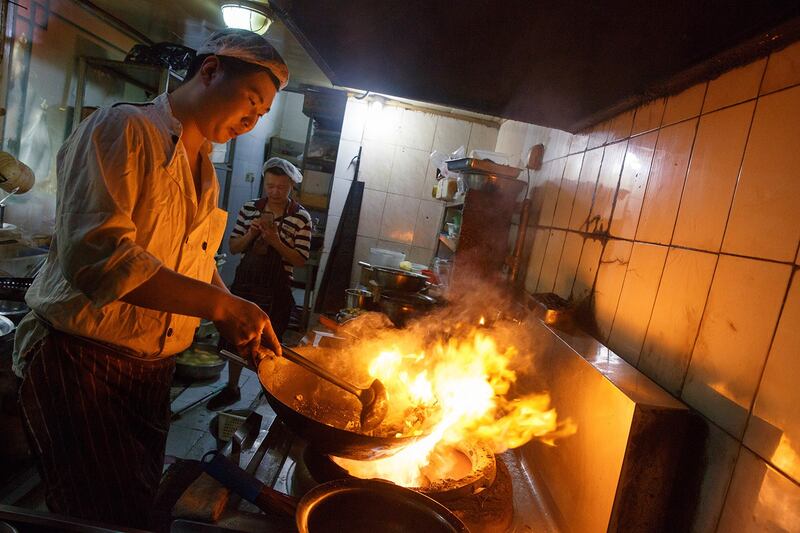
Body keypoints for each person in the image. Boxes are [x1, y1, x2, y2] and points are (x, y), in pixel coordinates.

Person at [14, 29, 288, 530]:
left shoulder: (203, 169)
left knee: (134, 514)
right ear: (210, 72)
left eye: (263, 113)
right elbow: (100, 258)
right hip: (83, 365)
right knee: (97, 519)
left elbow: (192, 267)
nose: (253, 119)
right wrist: (221, 307)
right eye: (251, 100)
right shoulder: (125, 130)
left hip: (149, 374)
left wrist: (235, 312)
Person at [207, 157, 312, 409]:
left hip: (277, 290)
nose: (275, 192)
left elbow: (300, 260)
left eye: (281, 187)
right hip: (246, 285)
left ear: (291, 187)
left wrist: (275, 240)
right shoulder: (250, 208)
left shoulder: (301, 218)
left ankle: (268, 392)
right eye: (270, 185)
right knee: (236, 337)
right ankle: (231, 387)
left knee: (269, 342)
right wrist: (252, 233)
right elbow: (233, 247)